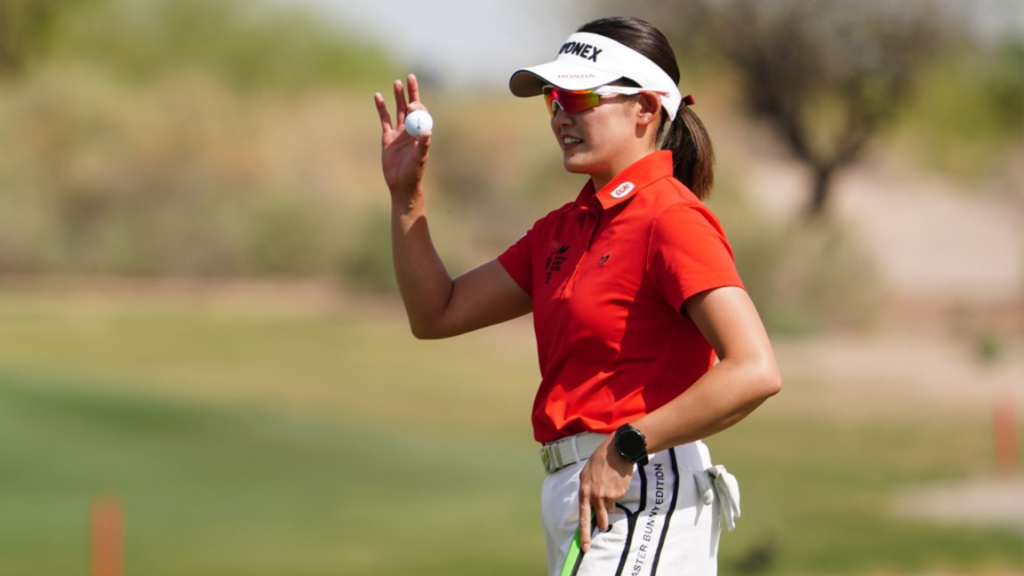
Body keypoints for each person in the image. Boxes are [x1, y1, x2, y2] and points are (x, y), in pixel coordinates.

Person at [373, 15, 781, 576]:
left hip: (641, 483)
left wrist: (628, 445)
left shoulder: (672, 219)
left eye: (580, 96)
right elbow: (436, 314)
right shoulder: (562, 229)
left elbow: (754, 369)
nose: (561, 114)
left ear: (645, 108)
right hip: (581, 487)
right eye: (554, 99)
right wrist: (407, 198)